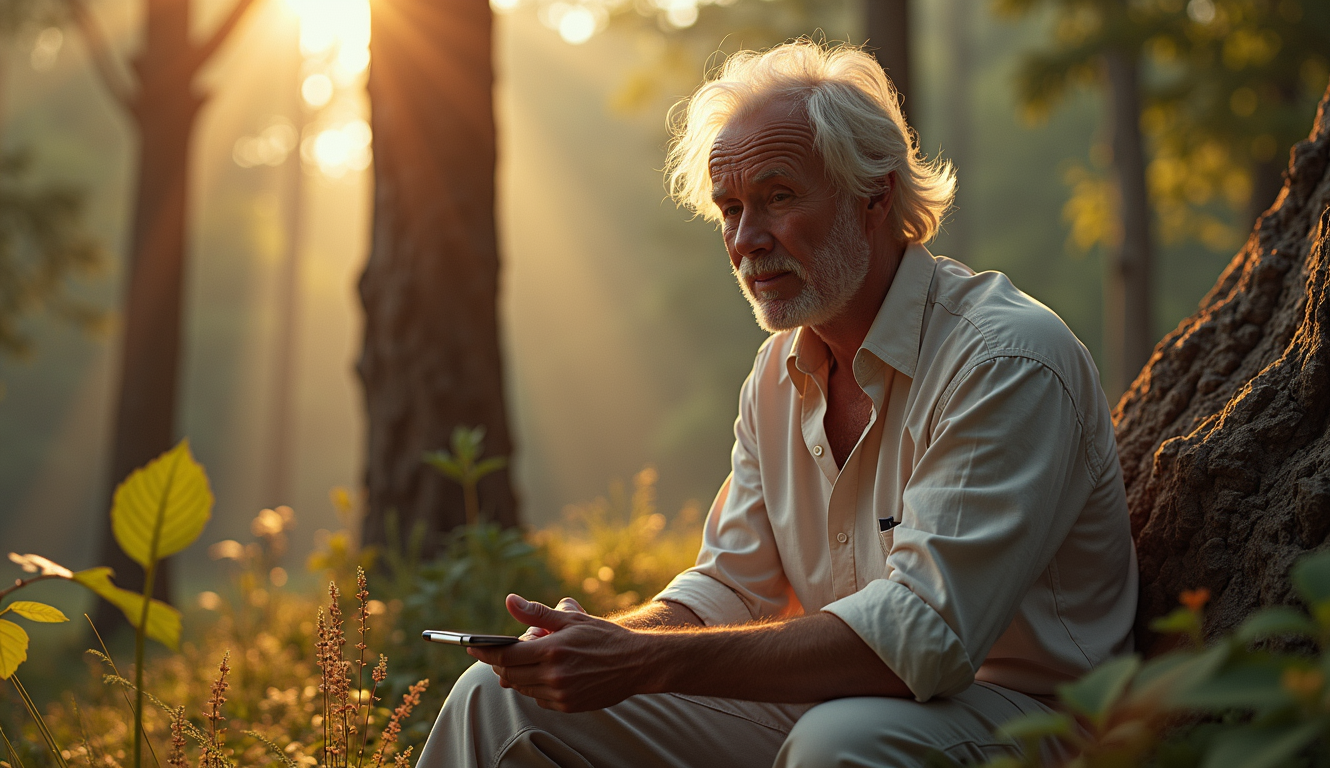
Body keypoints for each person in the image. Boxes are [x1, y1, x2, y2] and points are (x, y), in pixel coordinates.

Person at [417, 38, 1138, 768]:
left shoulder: (1005, 361)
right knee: (496, 696)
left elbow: (922, 637)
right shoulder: (774, 374)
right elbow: (733, 585)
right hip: (839, 706)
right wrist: (601, 643)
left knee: (838, 743)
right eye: (730, 209)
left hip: (1034, 725)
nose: (746, 241)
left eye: (778, 197)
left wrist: (644, 662)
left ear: (875, 195)